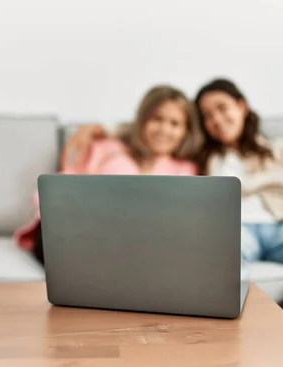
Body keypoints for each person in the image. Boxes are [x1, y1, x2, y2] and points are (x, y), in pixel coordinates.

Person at [62, 78, 283, 353]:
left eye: (222, 109)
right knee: (216, 253)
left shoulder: (281, 148)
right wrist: (100, 125)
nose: (216, 120)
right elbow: (155, 132)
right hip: (233, 228)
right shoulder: (201, 157)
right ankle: (220, 344)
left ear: (241, 106)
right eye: (207, 116)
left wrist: (237, 185)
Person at [14, 85, 204, 266]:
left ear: (185, 132)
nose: (164, 129)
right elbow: (57, 190)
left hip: (135, 244)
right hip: (79, 231)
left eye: (175, 124)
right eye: (157, 119)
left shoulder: (186, 170)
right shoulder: (104, 148)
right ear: (142, 120)